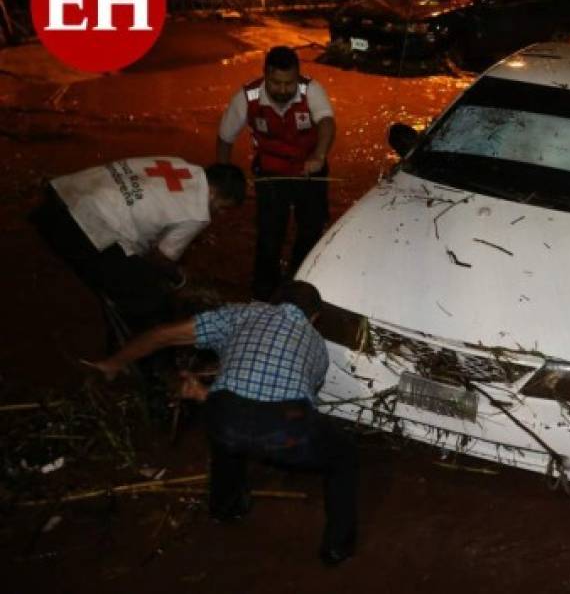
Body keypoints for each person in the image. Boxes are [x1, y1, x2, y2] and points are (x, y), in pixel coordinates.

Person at [89, 281, 357, 566]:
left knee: (227, 426)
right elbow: (300, 404)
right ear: (314, 317)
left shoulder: (239, 314)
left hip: (226, 417)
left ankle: (225, 507)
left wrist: (113, 363)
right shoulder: (318, 346)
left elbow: (162, 335)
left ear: (271, 302)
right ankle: (337, 548)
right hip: (287, 430)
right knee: (345, 458)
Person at [31, 157, 246, 334]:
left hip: (60, 196)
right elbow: (161, 258)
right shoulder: (199, 211)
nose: (219, 214)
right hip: (82, 228)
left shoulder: (176, 163)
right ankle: (145, 368)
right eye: (222, 208)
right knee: (150, 298)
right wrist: (179, 277)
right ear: (216, 194)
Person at [216, 46, 336, 300]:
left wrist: (319, 155)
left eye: (288, 83)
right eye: (276, 83)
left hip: (310, 170)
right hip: (271, 174)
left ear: (298, 76)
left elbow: (326, 122)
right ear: (265, 75)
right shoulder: (246, 97)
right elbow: (225, 138)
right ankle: (262, 294)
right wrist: (223, 176)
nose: (283, 90)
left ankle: (299, 284)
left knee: (312, 230)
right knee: (270, 235)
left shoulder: (311, 90)